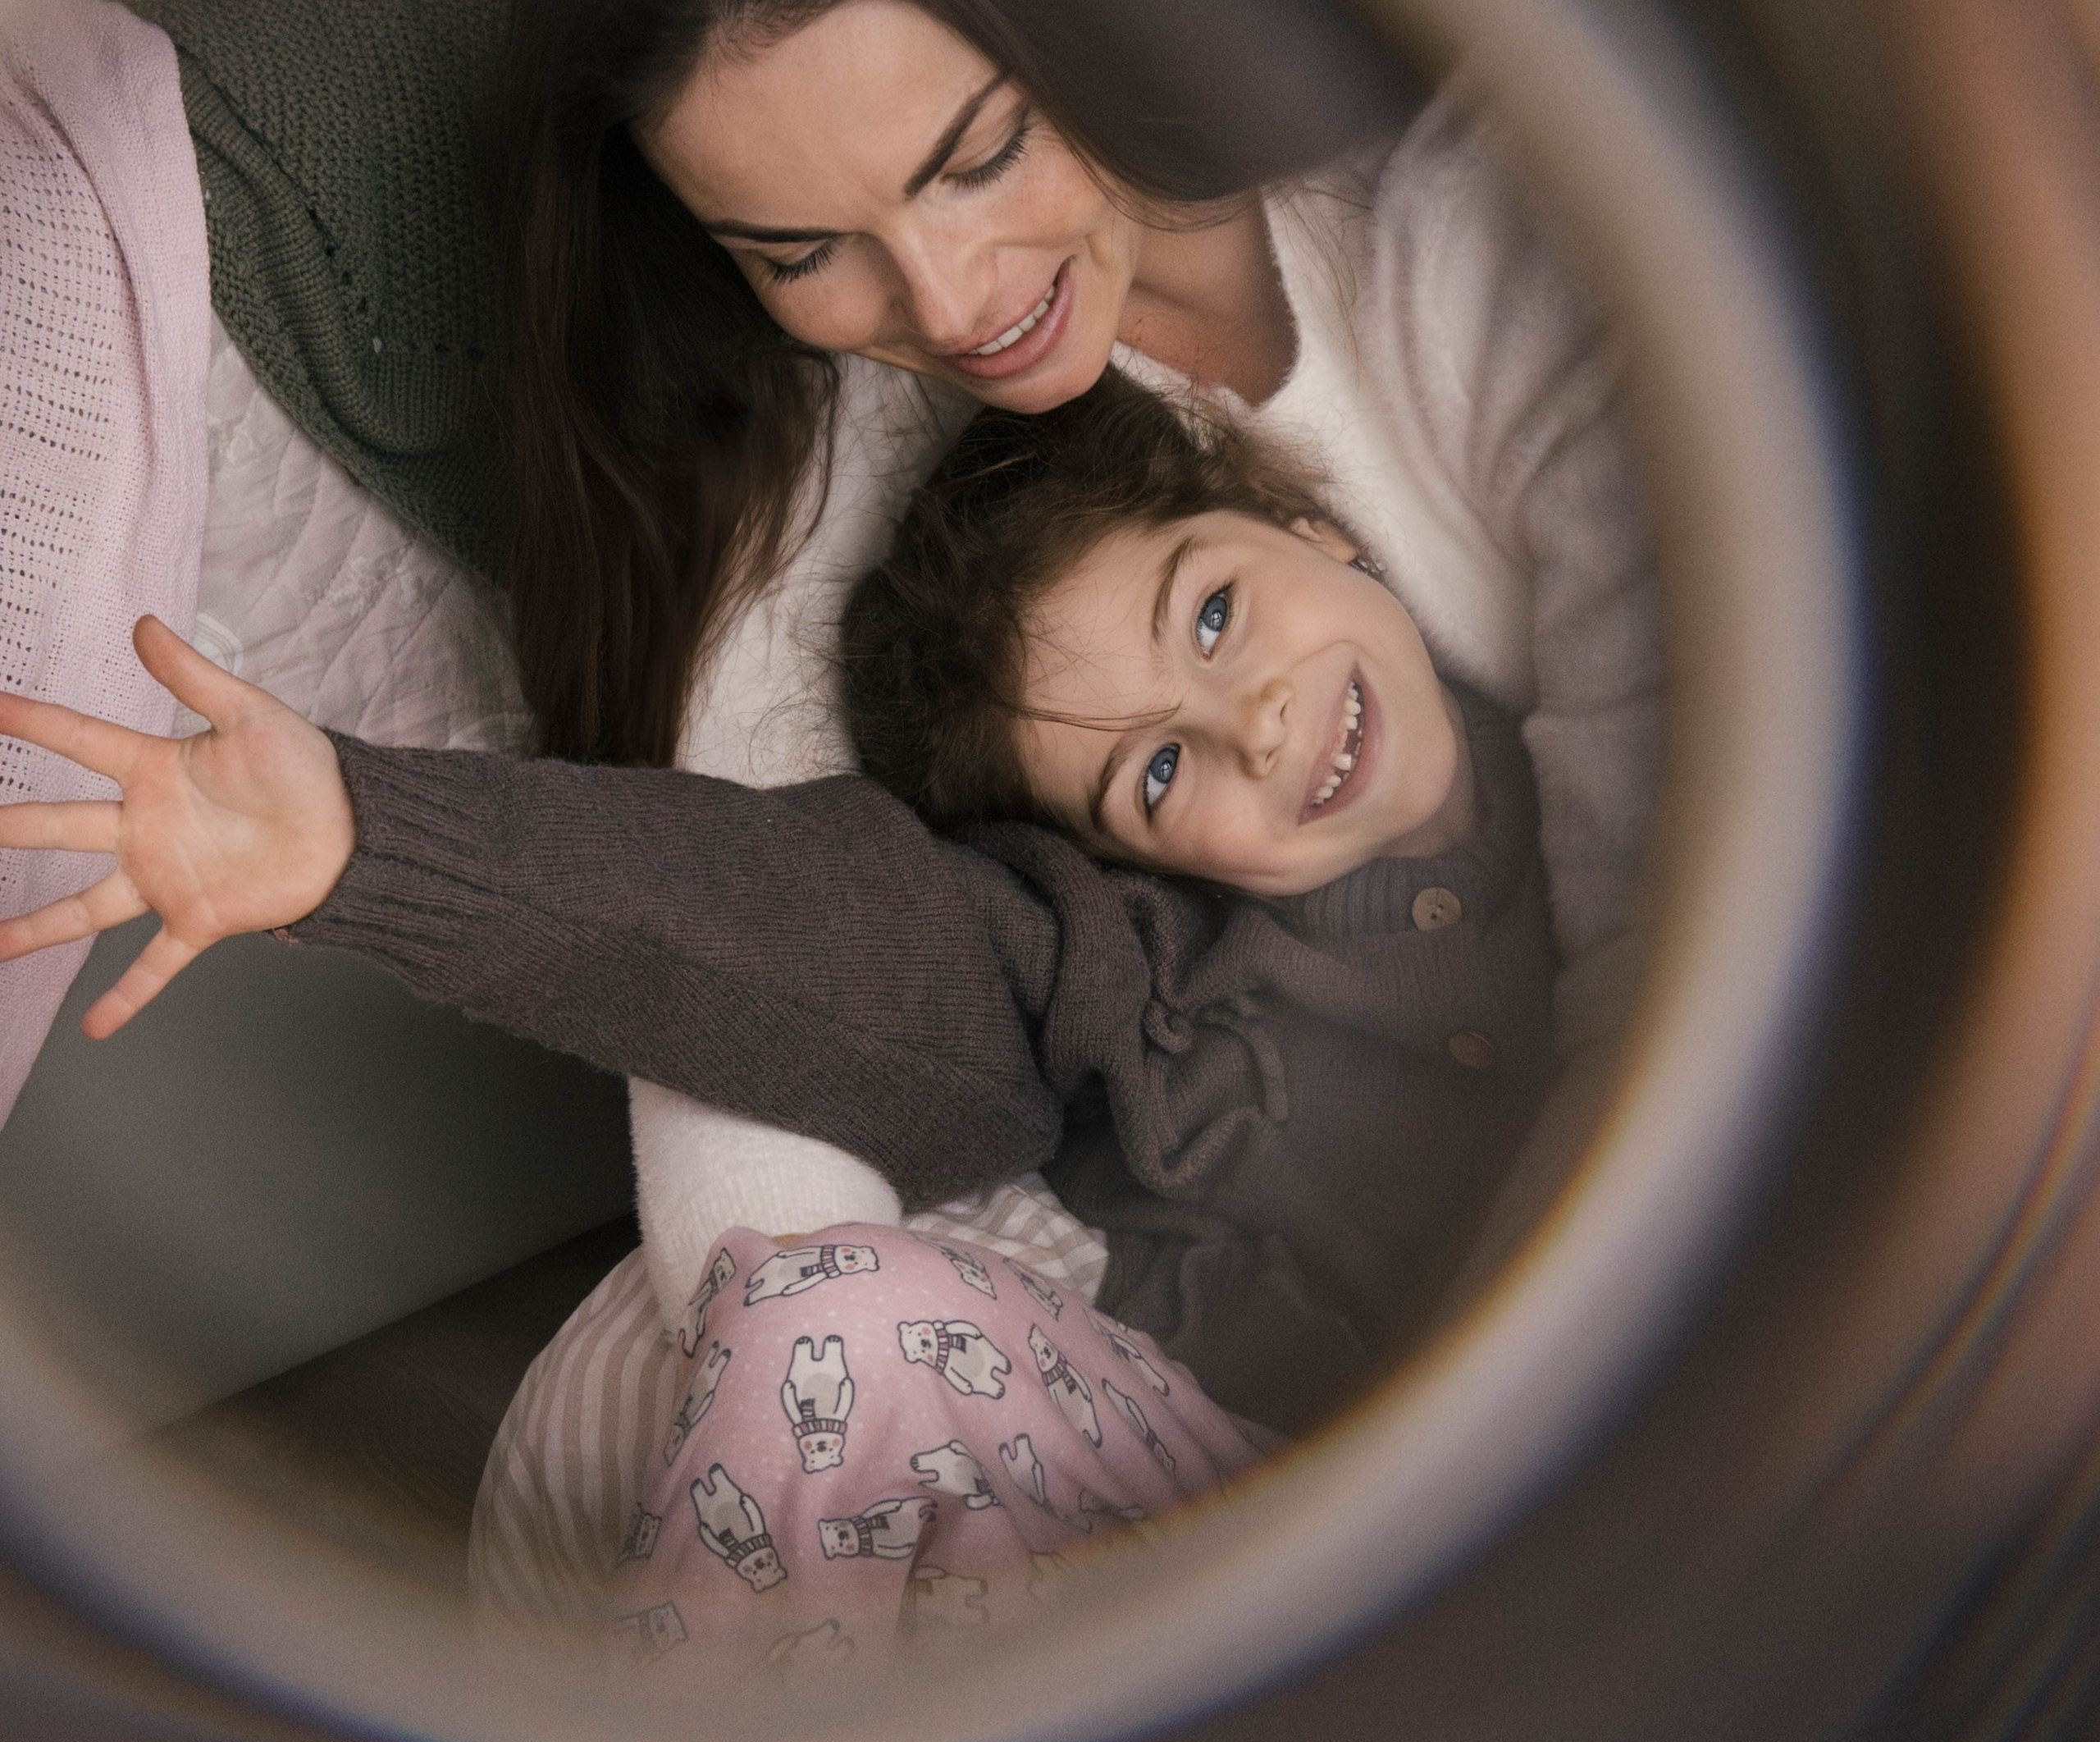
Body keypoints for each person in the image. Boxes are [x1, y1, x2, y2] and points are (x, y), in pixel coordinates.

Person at [488, 0, 1662, 1336]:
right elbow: (744, 1076)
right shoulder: (804, 497)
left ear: (1082, 14)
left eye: (976, 156)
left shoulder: (1475, 237)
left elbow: (1702, 870)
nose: (951, 303)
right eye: (803, 252)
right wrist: (827, 1374)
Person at [0, 378, 1556, 1465]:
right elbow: (782, 921)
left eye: (1214, 613)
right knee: (818, 1333)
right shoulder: (1135, 977)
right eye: (1156, 775)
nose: (1259, 725)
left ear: (1309, 523)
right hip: (1304, 1495)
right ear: (1131, 865)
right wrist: (364, 839)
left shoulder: (1612, 726)